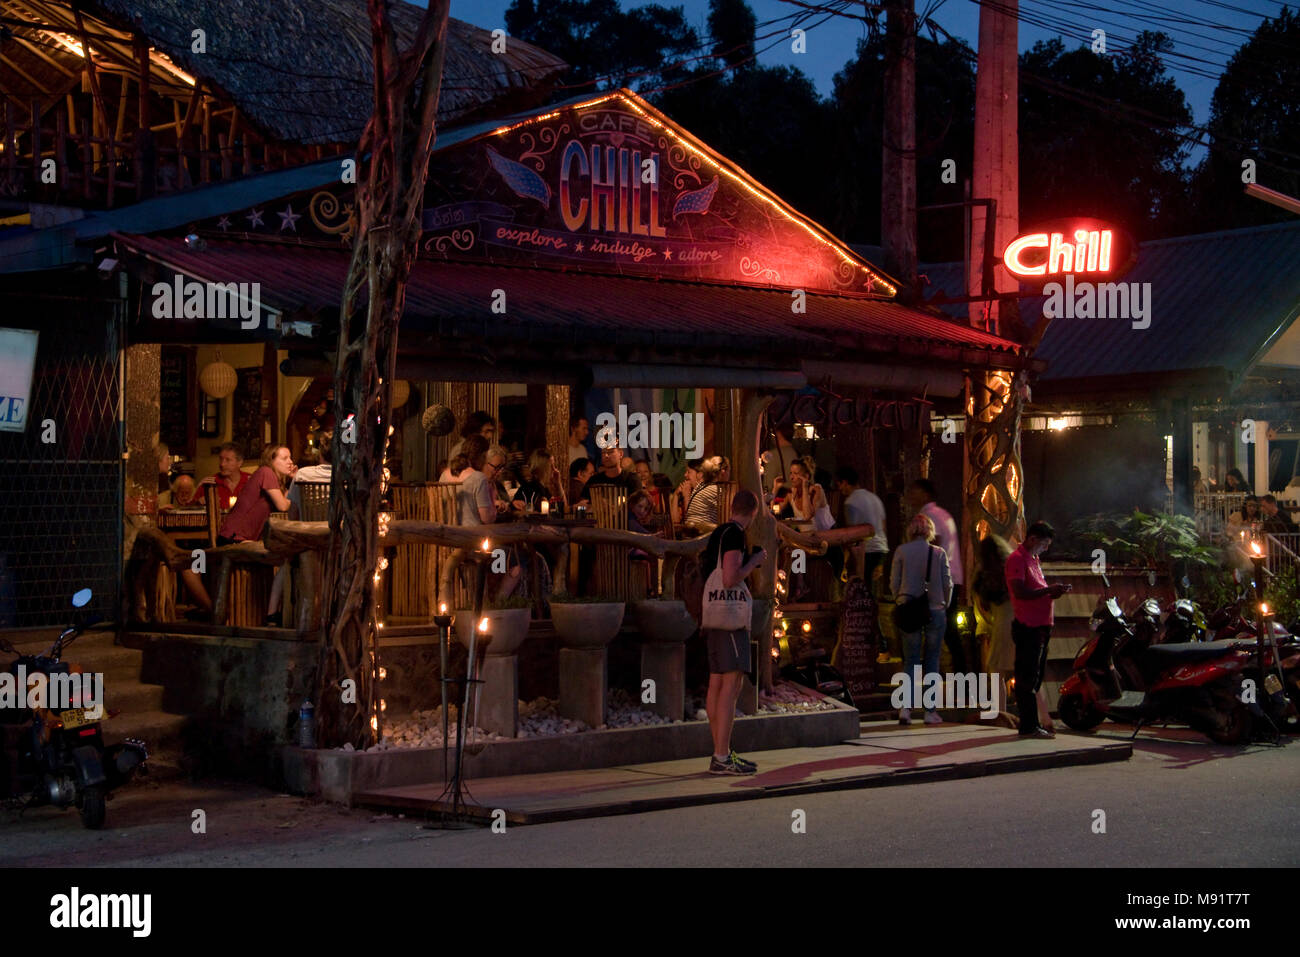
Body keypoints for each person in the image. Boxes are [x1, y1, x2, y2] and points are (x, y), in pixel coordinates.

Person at [179, 444, 295, 619]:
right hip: (232, 539)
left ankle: (265, 612)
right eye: (285, 458)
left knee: (284, 556)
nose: (290, 462)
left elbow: (285, 502)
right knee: (190, 564)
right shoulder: (266, 472)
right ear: (271, 460)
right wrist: (295, 482)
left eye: (290, 458)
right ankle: (216, 610)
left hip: (235, 538)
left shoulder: (271, 479)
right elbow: (284, 505)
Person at [700, 488, 765, 775]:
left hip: (713, 618)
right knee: (731, 686)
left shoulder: (718, 533)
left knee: (716, 685)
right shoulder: (736, 534)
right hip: (730, 620)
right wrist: (754, 561)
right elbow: (729, 578)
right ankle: (722, 756)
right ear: (753, 511)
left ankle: (720, 752)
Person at [1005, 521, 1071, 738]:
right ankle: (1029, 725)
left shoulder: (1034, 559)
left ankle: (1033, 724)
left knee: (1035, 676)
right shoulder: (1017, 559)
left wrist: (1052, 591)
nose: (1045, 548)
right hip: (1028, 626)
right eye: (1043, 544)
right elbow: (1020, 591)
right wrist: (1047, 591)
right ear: (1032, 539)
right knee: (1027, 677)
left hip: (1041, 625)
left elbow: (1036, 589)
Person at [890, 514, 953, 726]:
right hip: (934, 609)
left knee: (911, 660)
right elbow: (947, 583)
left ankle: (905, 709)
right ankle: (930, 711)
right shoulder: (938, 553)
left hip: (908, 609)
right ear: (929, 531)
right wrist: (945, 603)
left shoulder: (901, 551)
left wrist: (899, 598)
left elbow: (894, 582)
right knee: (932, 660)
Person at [906, 479, 966, 672]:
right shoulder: (944, 514)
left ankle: (960, 676)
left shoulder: (927, 515)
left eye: (914, 492)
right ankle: (962, 677)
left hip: (938, 581)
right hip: (953, 577)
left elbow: (932, 547)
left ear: (925, 494)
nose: (910, 496)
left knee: (939, 630)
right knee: (948, 631)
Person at [972, 534, 1015, 710]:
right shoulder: (1013, 568)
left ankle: (1000, 710)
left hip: (1001, 624)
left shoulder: (985, 576)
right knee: (1026, 672)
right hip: (1021, 622)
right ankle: (1039, 715)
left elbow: (983, 603)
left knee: (997, 671)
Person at [835, 466, 887, 582]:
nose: (840, 489)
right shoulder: (874, 498)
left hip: (865, 551)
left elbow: (852, 535)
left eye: (839, 484)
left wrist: (846, 561)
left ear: (845, 482)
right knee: (869, 591)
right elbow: (883, 525)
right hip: (880, 549)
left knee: (861, 590)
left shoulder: (851, 502)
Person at [288, 430, 332, 515]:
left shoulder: (302, 474)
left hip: (307, 527)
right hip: (337, 528)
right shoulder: (348, 476)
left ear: (320, 454)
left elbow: (292, 513)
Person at [684, 455, 731, 530]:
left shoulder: (699, 487)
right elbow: (729, 512)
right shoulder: (716, 490)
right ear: (723, 472)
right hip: (703, 534)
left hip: (690, 532)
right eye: (729, 470)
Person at [787, 457, 833, 530]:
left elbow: (807, 516)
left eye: (795, 473)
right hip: (807, 538)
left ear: (806, 476)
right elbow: (776, 510)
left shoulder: (816, 490)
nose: (791, 477)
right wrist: (775, 488)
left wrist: (804, 488)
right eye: (790, 473)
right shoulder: (792, 493)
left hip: (826, 535)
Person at [202, 443, 250, 510]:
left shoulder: (251, 480)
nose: (222, 464)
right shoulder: (211, 482)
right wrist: (199, 502)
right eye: (221, 459)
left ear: (240, 463)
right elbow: (189, 509)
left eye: (227, 460)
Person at [671, 458, 704, 526]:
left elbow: (691, 522)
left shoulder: (703, 493)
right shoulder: (690, 491)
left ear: (700, 474)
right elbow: (675, 522)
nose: (685, 475)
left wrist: (686, 497)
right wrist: (676, 495)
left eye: (689, 472)